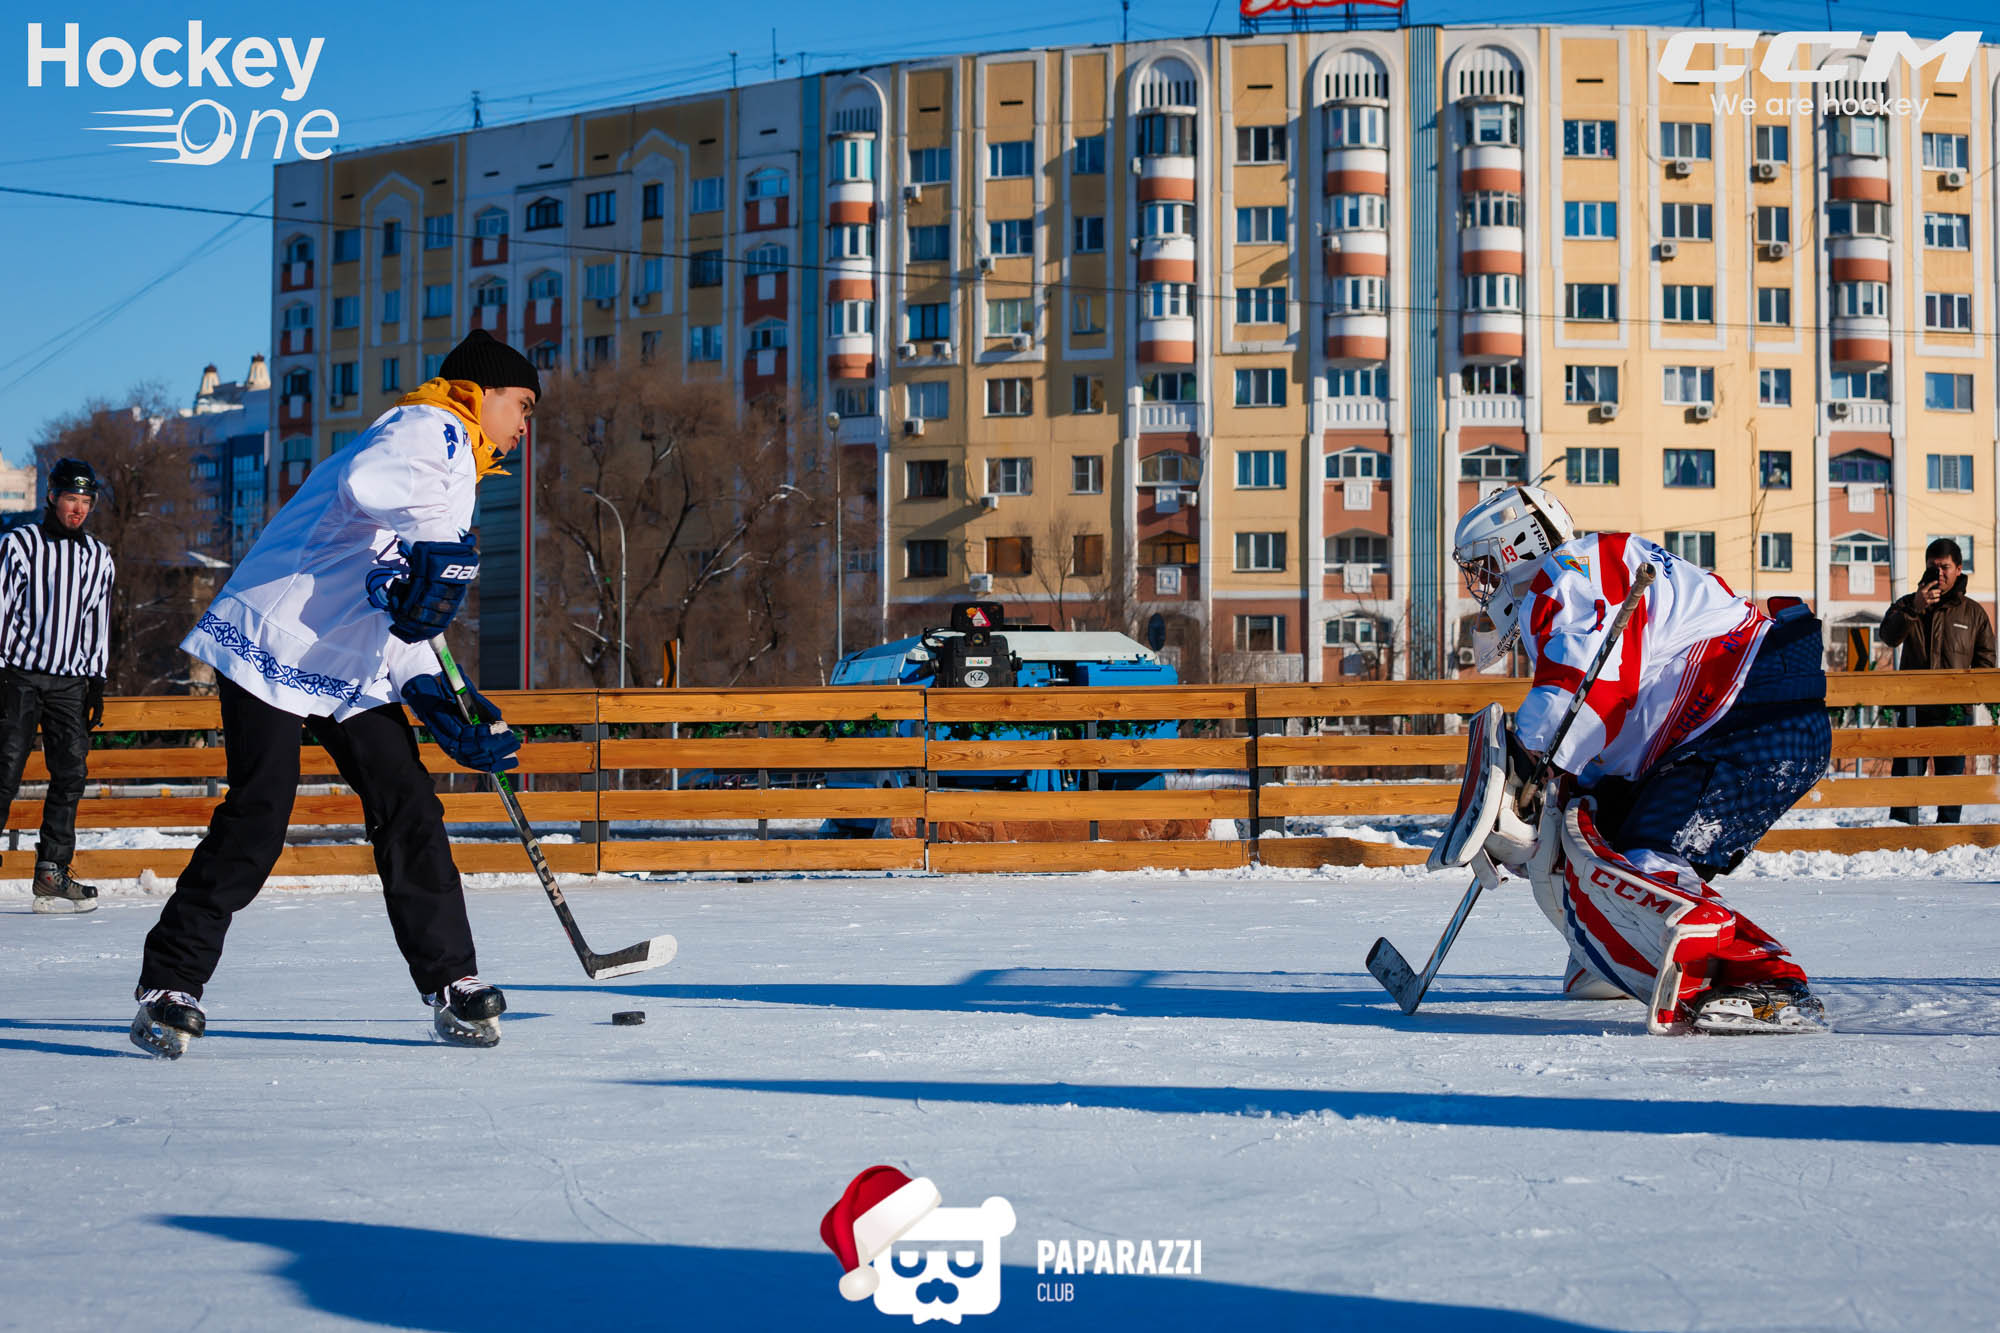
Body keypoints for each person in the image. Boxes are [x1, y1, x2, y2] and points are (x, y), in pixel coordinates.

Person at [131, 330, 536, 1058]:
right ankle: (170, 981)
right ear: (481, 394)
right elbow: (367, 482)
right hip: (273, 639)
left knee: (408, 803)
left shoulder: (460, 468)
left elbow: (402, 610)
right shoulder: (432, 425)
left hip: (347, 664)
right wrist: (439, 554)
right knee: (260, 811)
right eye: (523, 405)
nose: (525, 424)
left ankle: (452, 978)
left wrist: (440, 694)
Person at [1449, 484, 1831, 1034]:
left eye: (1485, 566)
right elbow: (1608, 717)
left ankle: (1766, 984)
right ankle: (1618, 952)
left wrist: (1525, 767)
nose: (1483, 584)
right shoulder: (1575, 586)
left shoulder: (1573, 571)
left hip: (1747, 711)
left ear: (1518, 544)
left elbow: (1590, 683)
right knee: (1596, 834)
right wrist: (1543, 806)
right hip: (1734, 718)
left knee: (1640, 859)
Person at [0, 459, 115, 913]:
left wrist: (96, 680)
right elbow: (1, 606)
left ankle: (51, 871)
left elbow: (97, 622)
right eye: (71, 499)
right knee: (5, 769)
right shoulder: (20, 544)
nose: (78, 509)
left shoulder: (99, 556)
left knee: (70, 774)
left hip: (70, 682)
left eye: (86, 501)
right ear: (52, 497)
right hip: (19, 676)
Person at [1879, 538, 1995, 825]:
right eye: (1933, 567)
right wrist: (1914, 608)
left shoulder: (1973, 613)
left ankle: (1947, 835)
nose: (1939, 573)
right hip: (1913, 710)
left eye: (1945, 567)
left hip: (1954, 713)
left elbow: (1986, 662)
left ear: (1959, 569)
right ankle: (1901, 834)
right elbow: (1889, 637)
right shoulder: (1907, 604)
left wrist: (1967, 697)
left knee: (1950, 784)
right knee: (1905, 782)